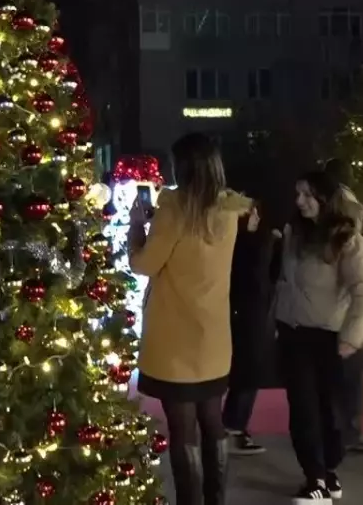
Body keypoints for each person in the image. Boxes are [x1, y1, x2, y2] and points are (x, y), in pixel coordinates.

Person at [129, 133, 251, 505]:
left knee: (182, 430)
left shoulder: (175, 210)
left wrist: (137, 226)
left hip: (174, 339)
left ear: (182, 167)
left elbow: (143, 264)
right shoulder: (229, 210)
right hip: (213, 337)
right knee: (213, 423)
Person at [275, 169, 363, 503]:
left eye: (307, 195)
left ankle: (327, 470)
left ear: (324, 198)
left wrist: (353, 335)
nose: (300, 201)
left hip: (330, 336)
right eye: (297, 194)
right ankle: (315, 478)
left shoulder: (347, 239)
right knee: (303, 409)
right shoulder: (293, 233)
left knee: (332, 412)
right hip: (293, 334)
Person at [322, 158, 363, 455]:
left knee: (323, 372)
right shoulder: (362, 214)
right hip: (355, 307)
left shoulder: (318, 212)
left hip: (322, 308)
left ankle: (324, 428)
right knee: (353, 374)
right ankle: (349, 432)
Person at [223, 200, 282, 456]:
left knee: (247, 368)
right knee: (246, 368)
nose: (254, 216)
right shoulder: (252, 241)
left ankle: (232, 425)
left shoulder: (260, 239)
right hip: (247, 309)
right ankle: (232, 426)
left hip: (251, 309)